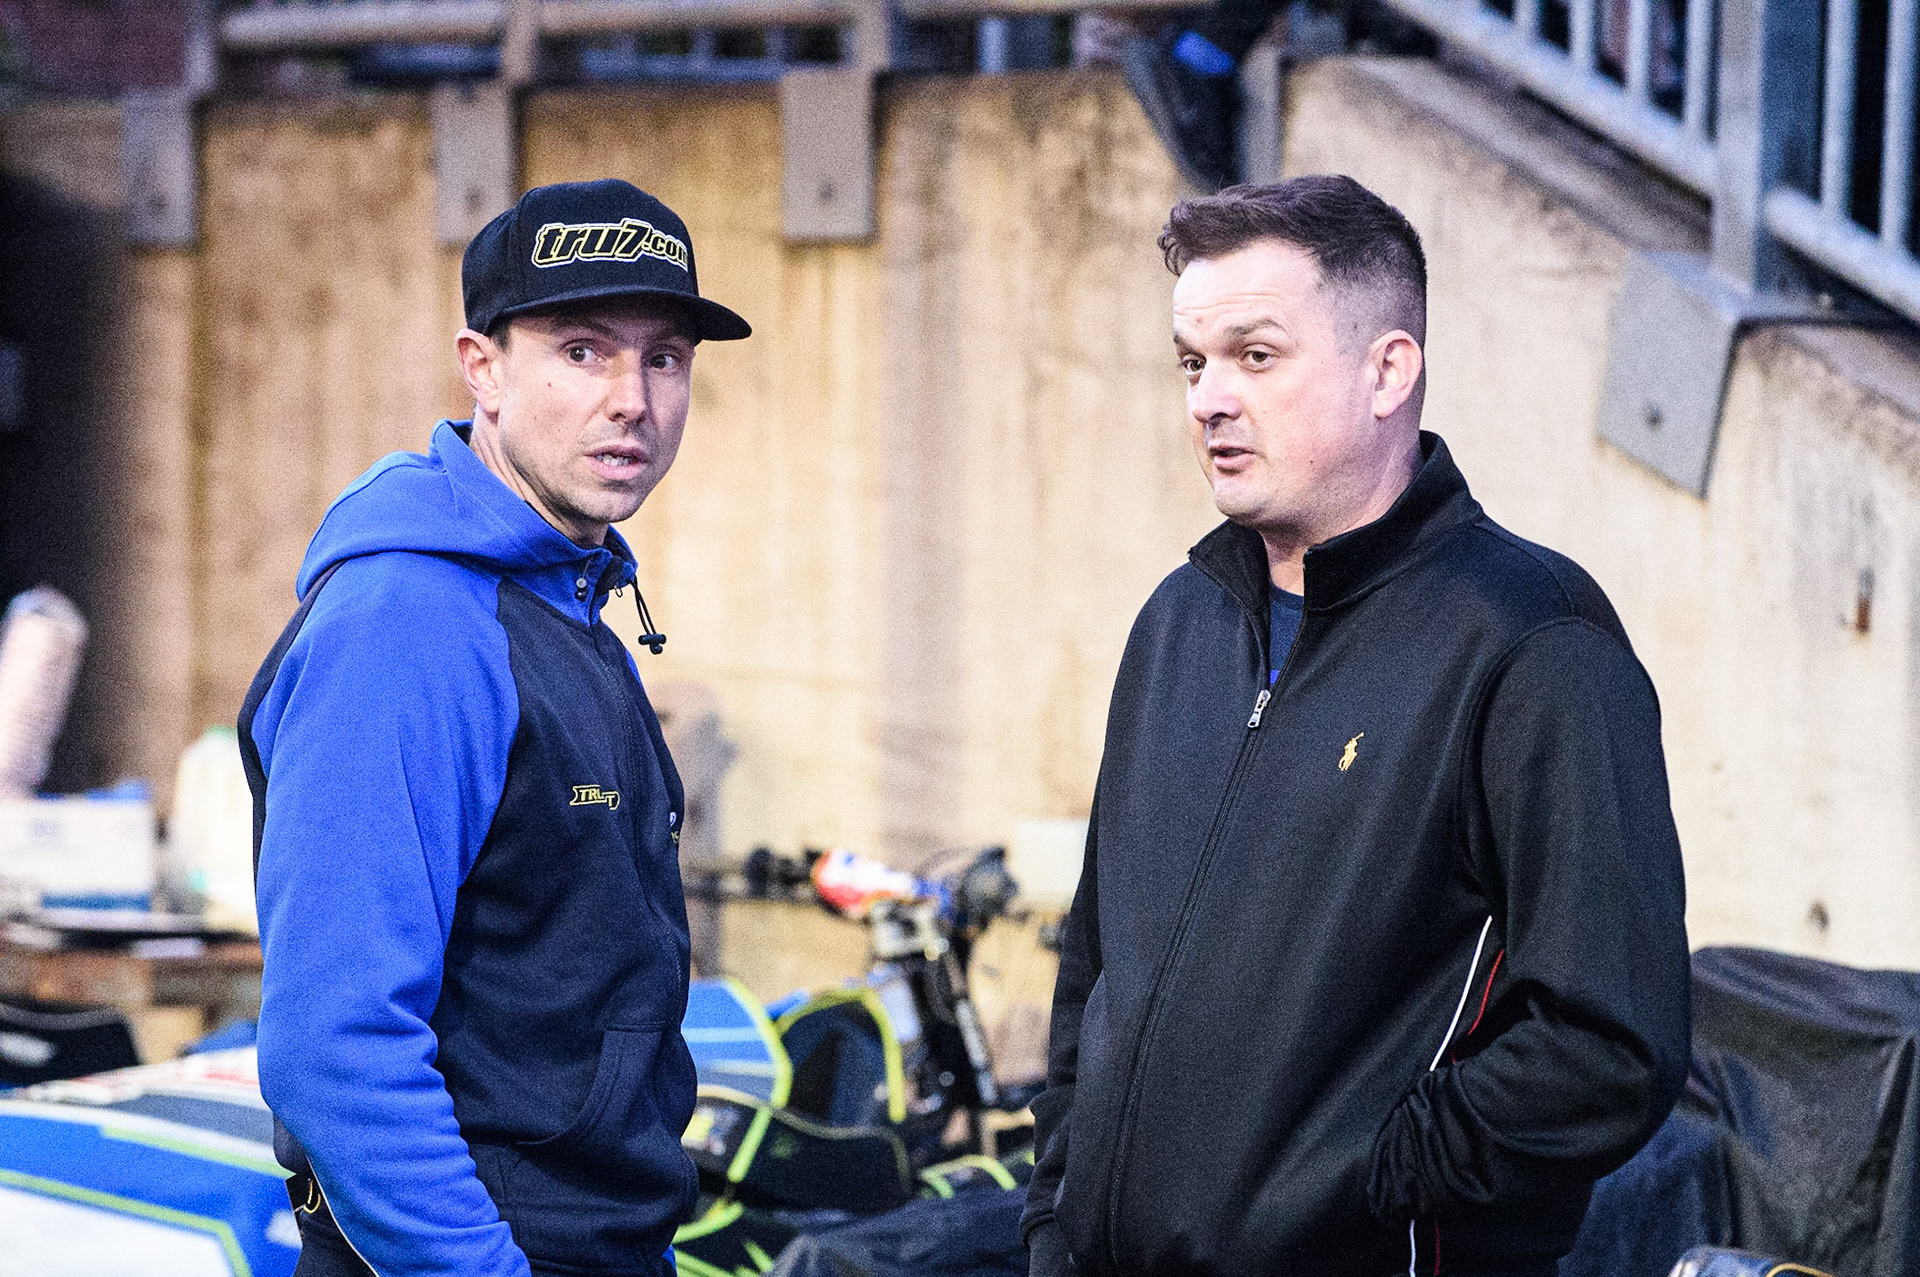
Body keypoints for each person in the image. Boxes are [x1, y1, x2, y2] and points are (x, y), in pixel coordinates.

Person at [1020, 175, 1690, 1277]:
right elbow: (1094, 973)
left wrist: (1368, 1184)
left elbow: (1606, 1044)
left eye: (1255, 355)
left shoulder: (1529, 641)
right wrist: (1056, 1214)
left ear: (1390, 370)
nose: (1208, 398)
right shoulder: (1177, 621)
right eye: (1194, 361)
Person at [240, 178, 751, 1277]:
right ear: (483, 368)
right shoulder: (410, 623)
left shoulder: (567, 601)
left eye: (664, 357)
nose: (633, 398)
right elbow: (336, 1045)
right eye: (582, 351)